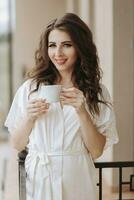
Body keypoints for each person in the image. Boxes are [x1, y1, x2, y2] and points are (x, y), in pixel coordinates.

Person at [5, 13, 119, 200]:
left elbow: (97, 151)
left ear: (80, 47)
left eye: (67, 45)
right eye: (52, 45)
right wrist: (29, 117)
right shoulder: (31, 88)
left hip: (77, 178)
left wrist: (82, 113)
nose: (57, 53)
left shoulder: (96, 93)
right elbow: (17, 144)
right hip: (40, 179)